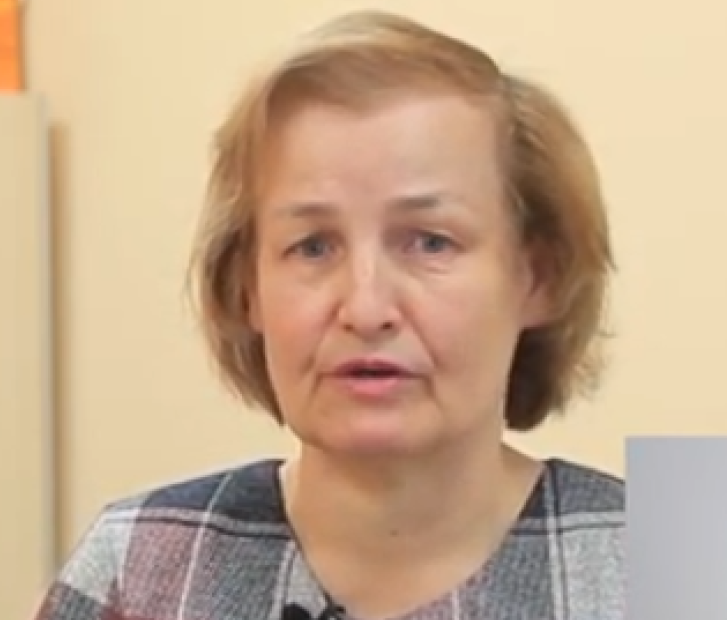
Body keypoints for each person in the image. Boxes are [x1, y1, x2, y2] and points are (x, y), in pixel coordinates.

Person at [34, 9, 623, 620]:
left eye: (430, 242)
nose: (366, 309)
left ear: (537, 278)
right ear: (246, 288)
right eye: (312, 247)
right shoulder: (135, 566)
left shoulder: (672, 563)